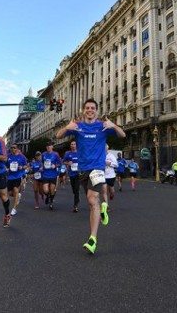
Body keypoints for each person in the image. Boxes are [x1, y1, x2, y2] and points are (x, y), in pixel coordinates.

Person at [56, 98, 125, 254]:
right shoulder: (78, 126)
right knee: (92, 200)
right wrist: (68, 127)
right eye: (87, 108)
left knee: (91, 198)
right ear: (83, 110)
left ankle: (92, 239)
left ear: (96, 110)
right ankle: (103, 207)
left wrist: (113, 125)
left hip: (98, 168)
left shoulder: (102, 127)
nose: (90, 110)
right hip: (82, 169)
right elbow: (58, 136)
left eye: (92, 108)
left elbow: (122, 135)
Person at [7, 144, 28, 216]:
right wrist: (6, 168)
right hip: (9, 177)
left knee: (16, 190)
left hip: (17, 176)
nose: (13, 149)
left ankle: (14, 209)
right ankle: (17, 196)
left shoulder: (21, 157)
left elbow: (26, 165)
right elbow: (4, 165)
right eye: (11, 147)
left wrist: (22, 167)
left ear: (17, 149)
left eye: (14, 148)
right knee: (10, 193)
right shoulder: (8, 156)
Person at [41, 142, 61, 210]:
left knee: (52, 190)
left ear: (52, 147)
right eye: (47, 146)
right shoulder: (43, 154)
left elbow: (59, 163)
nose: (48, 147)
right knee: (45, 190)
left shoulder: (55, 154)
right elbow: (42, 163)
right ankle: (48, 196)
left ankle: (51, 202)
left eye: (50, 146)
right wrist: (42, 167)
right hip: (45, 174)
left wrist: (55, 165)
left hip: (53, 175)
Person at [63, 140, 81, 212]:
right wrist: (68, 163)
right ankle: (77, 198)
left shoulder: (80, 153)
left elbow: (84, 161)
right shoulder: (67, 153)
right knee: (74, 190)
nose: (73, 145)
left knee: (76, 189)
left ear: (76, 145)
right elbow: (64, 161)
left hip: (78, 174)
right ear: (70, 146)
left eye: (74, 144)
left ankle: (75, 205)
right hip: (71, 173)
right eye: (71, 144)